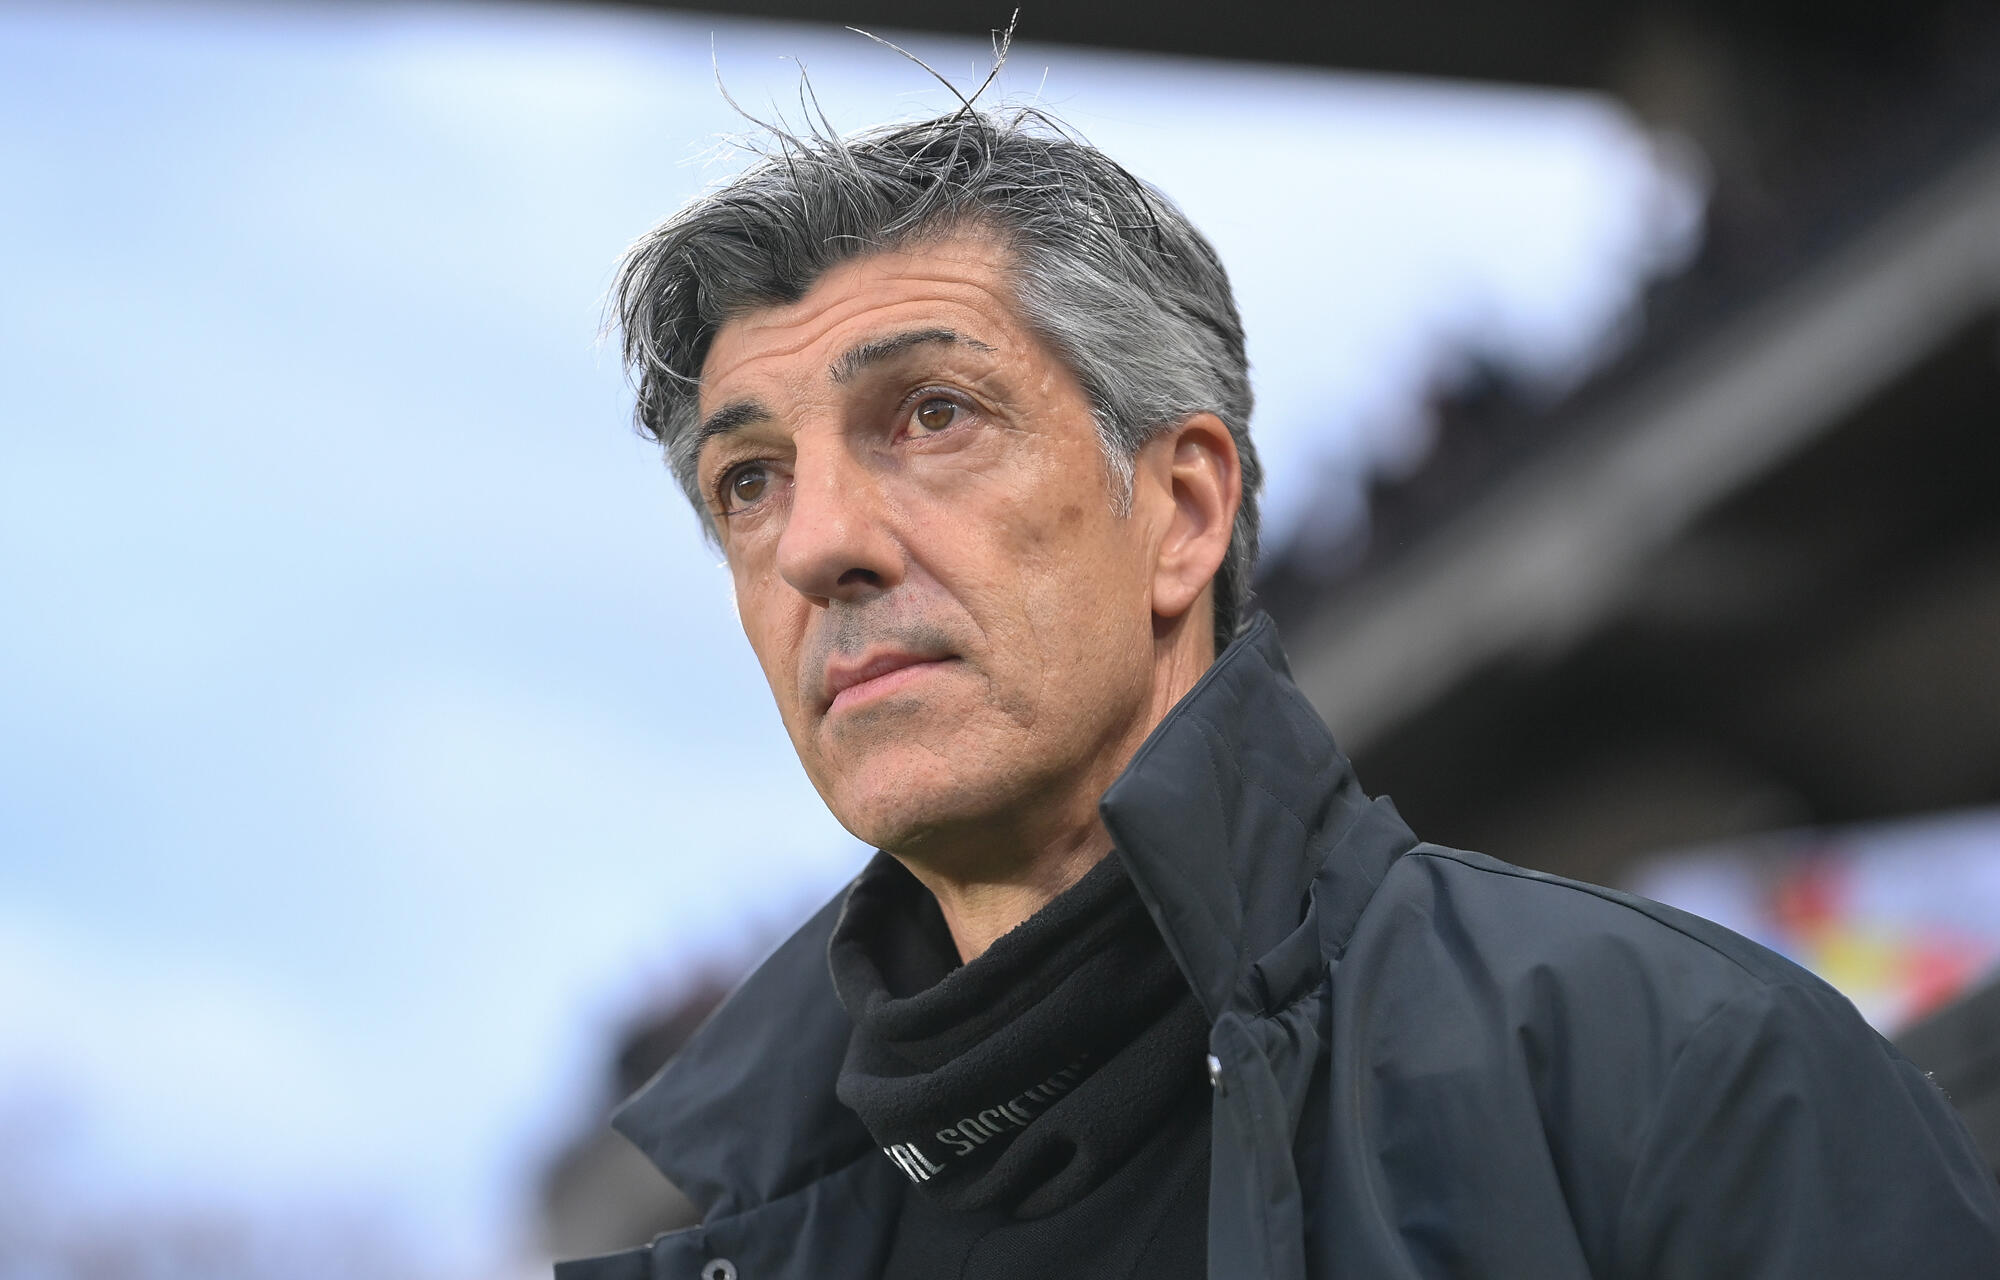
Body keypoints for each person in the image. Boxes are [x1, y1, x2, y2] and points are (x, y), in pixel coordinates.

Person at [556, 104, 2000, 1280]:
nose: (817, 543)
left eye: (933, 415)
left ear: (1183, 511)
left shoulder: (1680, 1076)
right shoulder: (742, 1242)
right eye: (751, 480)